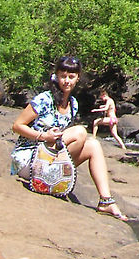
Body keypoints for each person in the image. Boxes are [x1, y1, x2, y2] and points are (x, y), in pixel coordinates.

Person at [11, 56, 128, 221]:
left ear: (77, 78)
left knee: (93, 144)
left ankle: (105, 200)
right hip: (28, 159)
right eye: (63, 76)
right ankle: (47, 177)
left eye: (71, 77)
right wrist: (43, 136)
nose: (66, 81)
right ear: (56, 76)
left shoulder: (73, 103)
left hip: (49, 158)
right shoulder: (44, 99)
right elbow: (17, 126)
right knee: (80, 132)